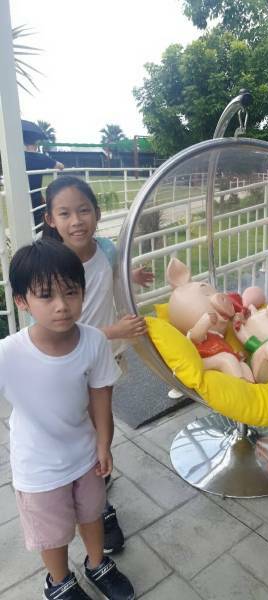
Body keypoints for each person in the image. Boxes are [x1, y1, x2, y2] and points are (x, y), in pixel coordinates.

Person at [3, 239, 135, 600]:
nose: (62, 305)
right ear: (21, 300)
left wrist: (104, 443)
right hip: (38, 467)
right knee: (53, 532)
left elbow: (101, 393)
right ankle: (59, 580)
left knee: (92, 513)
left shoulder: (93, 341)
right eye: (46, 296)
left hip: (85, 455)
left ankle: (97, 563)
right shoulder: (9, 354)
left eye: (71, 292)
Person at [42, 175, 153, 554]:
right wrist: (116, 329)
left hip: (104, 358)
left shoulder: (105, 249)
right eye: (65, 213)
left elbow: (109, 273)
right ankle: (91, 504)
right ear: (51, 219)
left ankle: (97, 487)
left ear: (97, 213)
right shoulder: (52, 265)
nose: (77, 221)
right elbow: (61, 329)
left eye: (83, 210)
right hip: (68, 363)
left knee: (100, 426)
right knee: (80, 431)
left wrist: (130, 275)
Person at [23, 132, 64, 227]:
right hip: (35, 196)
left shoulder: (17, 158)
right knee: (37, 224)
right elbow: (61, 166)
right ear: (36, 144)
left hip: (19, 197)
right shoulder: (41, 157)